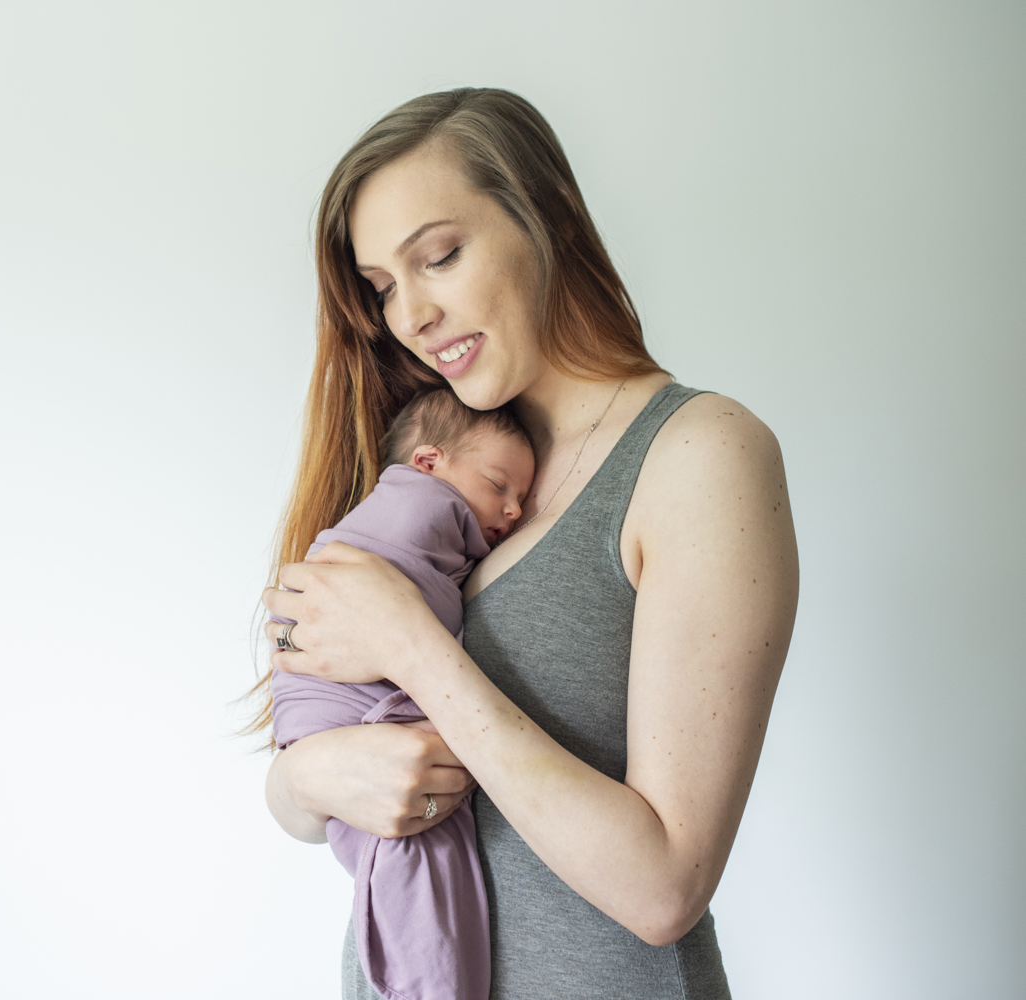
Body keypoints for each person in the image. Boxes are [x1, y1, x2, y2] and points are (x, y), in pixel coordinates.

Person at [255, 88, 799, 1000]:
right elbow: (303, 790)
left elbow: (665, 886)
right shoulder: (429, 465)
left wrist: (413, 647)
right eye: (384, 287)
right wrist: (308, 776)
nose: (410, 317)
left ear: (546, 221)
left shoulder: (699, 456)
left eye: (440, 256)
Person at [271, 388, 536, 1000]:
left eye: (521, 496)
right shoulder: (414, 509)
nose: (514, 510)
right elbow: (392, 598)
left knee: (413, 882)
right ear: (426, 464)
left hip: (346, 732)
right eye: (499, 485)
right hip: (343, 715)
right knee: (420, 880)